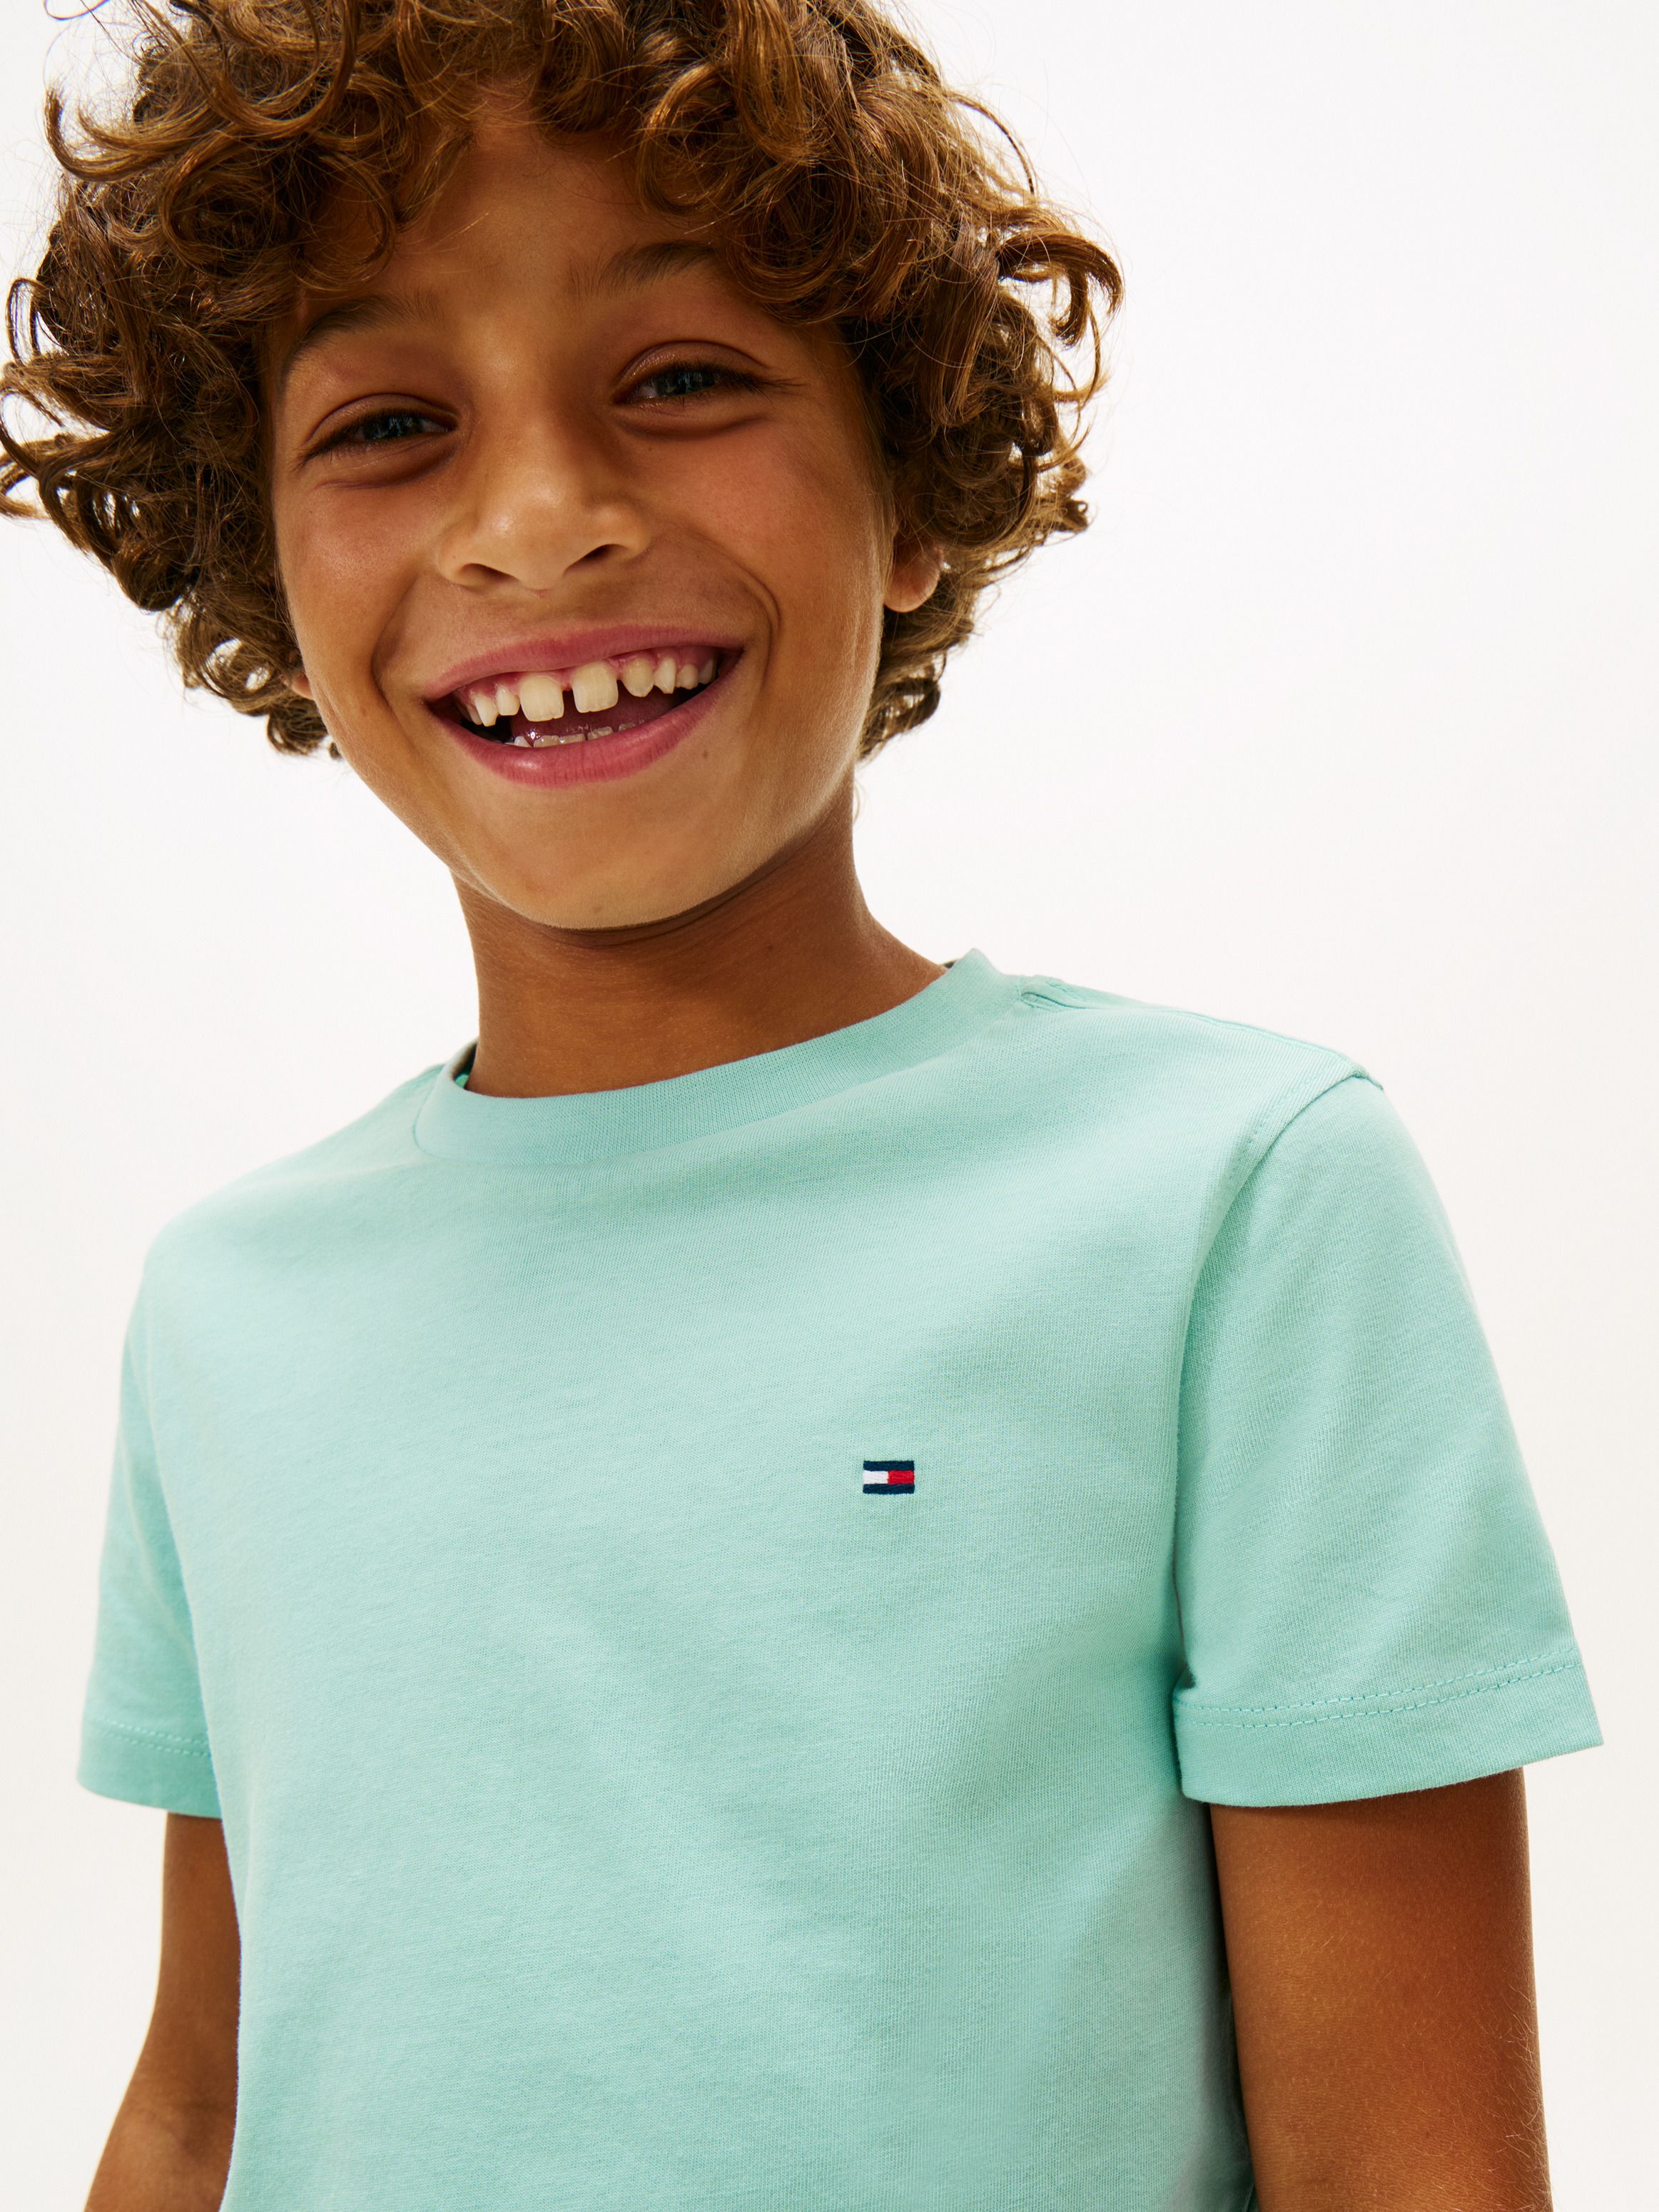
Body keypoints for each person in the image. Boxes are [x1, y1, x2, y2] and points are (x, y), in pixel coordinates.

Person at [3, 4, 1601, 2208]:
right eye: (389, 424)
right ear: (263, 559)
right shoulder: (228, 1309)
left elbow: (1410, 2169)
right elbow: (203, 2104)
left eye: (680, 379)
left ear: (912, 487)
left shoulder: (1230, 1199)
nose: (538, 525)